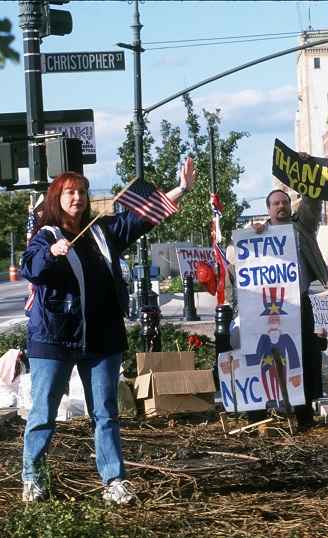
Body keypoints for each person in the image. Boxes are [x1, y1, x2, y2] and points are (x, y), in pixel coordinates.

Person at [20, 159, 195, 504]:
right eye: (70, 192)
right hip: (53, 339)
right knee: (42, 414)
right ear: (57, 198)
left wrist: (182, 189)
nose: (78, 198)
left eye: (83, 192)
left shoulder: (103, 230)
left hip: (101, 338)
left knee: (106, 414)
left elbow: (140, 219)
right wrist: (53, 252)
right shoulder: (46, 236)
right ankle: (32, 479)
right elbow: (31, 267)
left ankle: (114, 481)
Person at [245, 187, 328, 428]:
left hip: (299, 302)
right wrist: (255, 233)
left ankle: (304, 415)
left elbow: (313, 204)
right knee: (265, 357)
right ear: (268, 209)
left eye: (284, 202)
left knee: (304, 356)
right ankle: (258, 417)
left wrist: (306, 177)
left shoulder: (301, 227)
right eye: (276, 203)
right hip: (269, 306)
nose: (281, 206)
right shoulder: (259, 233)